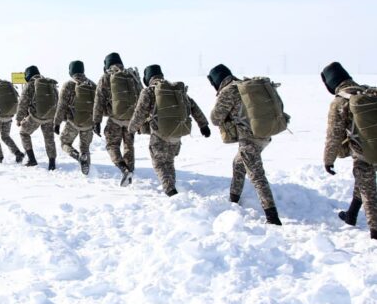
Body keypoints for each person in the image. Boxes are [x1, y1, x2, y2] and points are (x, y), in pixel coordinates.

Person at [208, 64, 282, 225]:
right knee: (238, 163)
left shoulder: (228, 91)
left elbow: (215, 118)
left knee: (257, 176)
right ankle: (233, 200)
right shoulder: (245, 86)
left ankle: (272, 217)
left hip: (250, 139)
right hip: (265, 134)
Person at [129, 65, 211, 196]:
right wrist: (203, 125)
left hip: (159, 136)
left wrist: (131, 129)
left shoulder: (149, 91)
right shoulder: (175, 90)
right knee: (169, 162)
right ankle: (172, 187)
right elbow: (194, 107)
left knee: (160, 164)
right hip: (177, 135)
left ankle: (170, 190)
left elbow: (139, 114)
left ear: (147, 78)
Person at [321, 61, 377, 239]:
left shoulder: (340, 102)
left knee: (368, 189)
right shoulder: (367, 92)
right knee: (362, 180)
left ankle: (375, 231)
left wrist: (328, 160)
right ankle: (351, 215)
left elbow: (334, 136)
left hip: (364, 152)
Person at [93, 52, 142, 186]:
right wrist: (141, 122)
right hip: (131, 119)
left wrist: (96, 121)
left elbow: (99, 100)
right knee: (129, 146)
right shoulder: (132, 76)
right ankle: (130, 173)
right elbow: (141, 97)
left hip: (114, 118)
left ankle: (123, 169)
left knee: (111, 144)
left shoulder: (106, 77)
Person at [53, 60, 96, 175]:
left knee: (64, 143)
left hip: (73, 123)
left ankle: (77, 157)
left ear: (71, 71)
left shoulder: (69, 85)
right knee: (85, 148)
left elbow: (61, 106)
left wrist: (57, 123)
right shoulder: (92, 85)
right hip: (88, 123)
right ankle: (87, 173)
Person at [16, 65, 58, 170]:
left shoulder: (31, 84)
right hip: (49, 116)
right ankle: (52, 163)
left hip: (35, 116)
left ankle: (32, 159)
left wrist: (19, 119)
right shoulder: (49, 83)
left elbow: (23, 103)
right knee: (49, 139)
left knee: (23, 133)